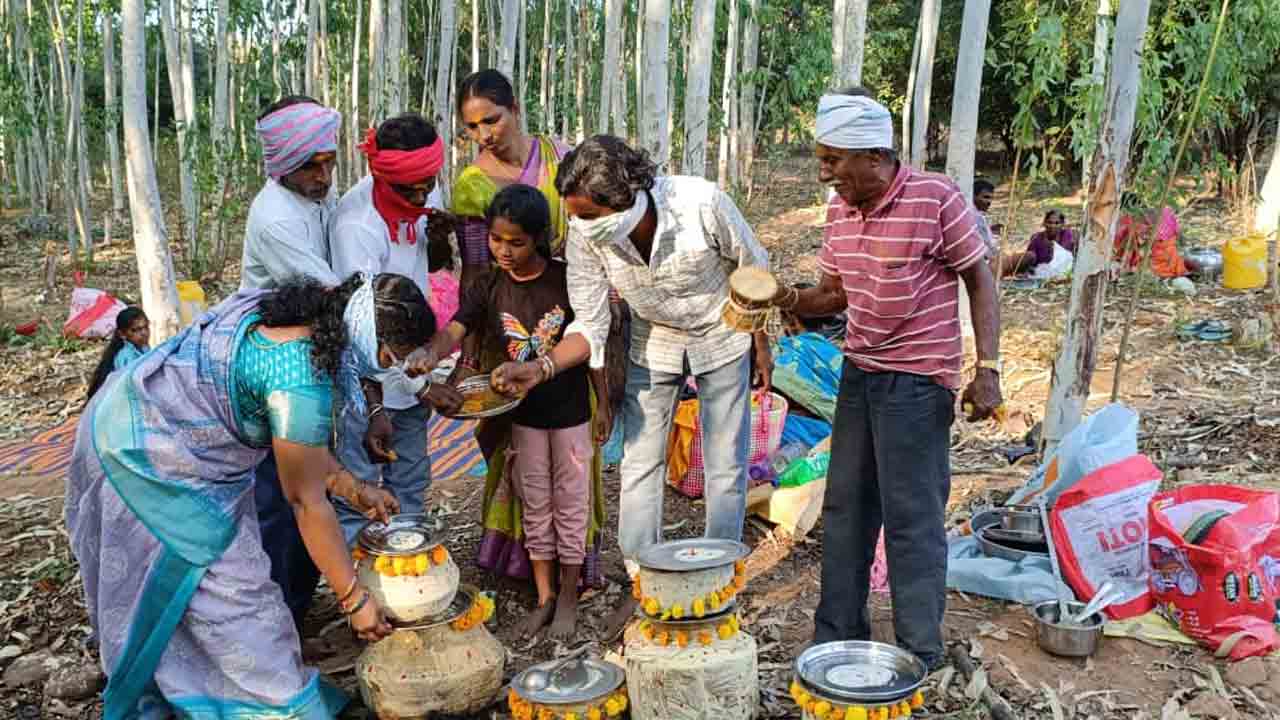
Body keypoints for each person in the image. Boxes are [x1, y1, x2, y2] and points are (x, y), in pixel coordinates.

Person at [65, 272, 432, 718]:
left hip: (157, 428)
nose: (390, 368)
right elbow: (305, 501)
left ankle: (210, 690)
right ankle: (275, 706)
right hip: (146, 453)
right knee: (237, 597)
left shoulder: (314, 311)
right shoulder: (299, 374)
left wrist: (351, 487)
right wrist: (355, 599)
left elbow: (302, 448)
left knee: (219, 587)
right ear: (369, 335)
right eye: (390, 357)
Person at [487, 135, 773, 634]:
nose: (582, 227)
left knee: (724, 462)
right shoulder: (584, 234)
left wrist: (760, 338)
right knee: (640, 460)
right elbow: (590, 323)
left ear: (629, 196)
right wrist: (541, 367)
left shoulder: (700, 204)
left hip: (721, 331)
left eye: (592, 216)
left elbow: (753, 268)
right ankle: (648, 581)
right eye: (575, 217)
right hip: (654, 338)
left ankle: (719, 579)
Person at [766, 90, 1003, 670]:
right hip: (860, 373)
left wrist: (988, 369)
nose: (824, 174)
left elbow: (981, 279)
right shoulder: (840, 210)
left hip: (919, 383)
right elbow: (834, 294)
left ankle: (919, 648)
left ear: (874, 156)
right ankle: (837, 634)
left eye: (832, 160)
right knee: (846, 507)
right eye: (821, 159)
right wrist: (785, 296)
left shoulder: (936, 197)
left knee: (911, 515)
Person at [412, 185, 609, 641]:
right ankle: (542, 596)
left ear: (538, 238)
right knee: (534, 501)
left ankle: (567, 594)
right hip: (519, 414)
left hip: (572, 410)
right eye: (497, 240)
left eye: (516, 242)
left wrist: (604, 403)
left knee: (572, 501)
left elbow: (593, 341)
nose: (504, 250)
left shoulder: (565, 279)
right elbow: (457, 329)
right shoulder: (489, 285)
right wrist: (430, 351)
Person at [329, 113, 463, 542]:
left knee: (410, 482)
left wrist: (440, 238)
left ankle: (406, 569)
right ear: (379, 174)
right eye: (412, 188)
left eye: (430, 182)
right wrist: (412, 392)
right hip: (368, 383)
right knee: (359, 489)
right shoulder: (356, 226)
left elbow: (434, 262)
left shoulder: (425, 188)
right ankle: (360, 590)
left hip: (411, 365)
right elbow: (364, 333)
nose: (424, 193)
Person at [240, 94, 343, 629]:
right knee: (285, 500)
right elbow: (333, 293)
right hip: (272, 368)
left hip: (305, 355)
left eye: (330, 161)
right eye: (312, 165)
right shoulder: (276, 219)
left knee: (308, 483)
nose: (324, 174)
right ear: (281, 163)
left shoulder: (314, 197)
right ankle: (281, 622)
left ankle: (298, 605)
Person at [452, 69, 572, 288]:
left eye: (491, 120)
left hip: (576, 288)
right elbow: (476, 269)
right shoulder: (471, 186)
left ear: (514, 109)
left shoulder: (559, 157)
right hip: (509, 301)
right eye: (472, 127)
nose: (484, 135)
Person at [85, 307, 149, 400]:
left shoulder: (144, 347)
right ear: (122, 334)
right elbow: (131, 386)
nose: (144, 333)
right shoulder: (126, 355)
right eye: (135, 330)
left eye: (145, 327)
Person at [1002, 209, 1076, 277]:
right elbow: (1031, 258)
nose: (1053, 226)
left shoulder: (1066, 234)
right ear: (1044, 223)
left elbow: (1064, 255)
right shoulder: (1037, 237)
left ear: (1062, 225)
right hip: (1040, 270)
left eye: (1057, 223)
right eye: (1049, 222)